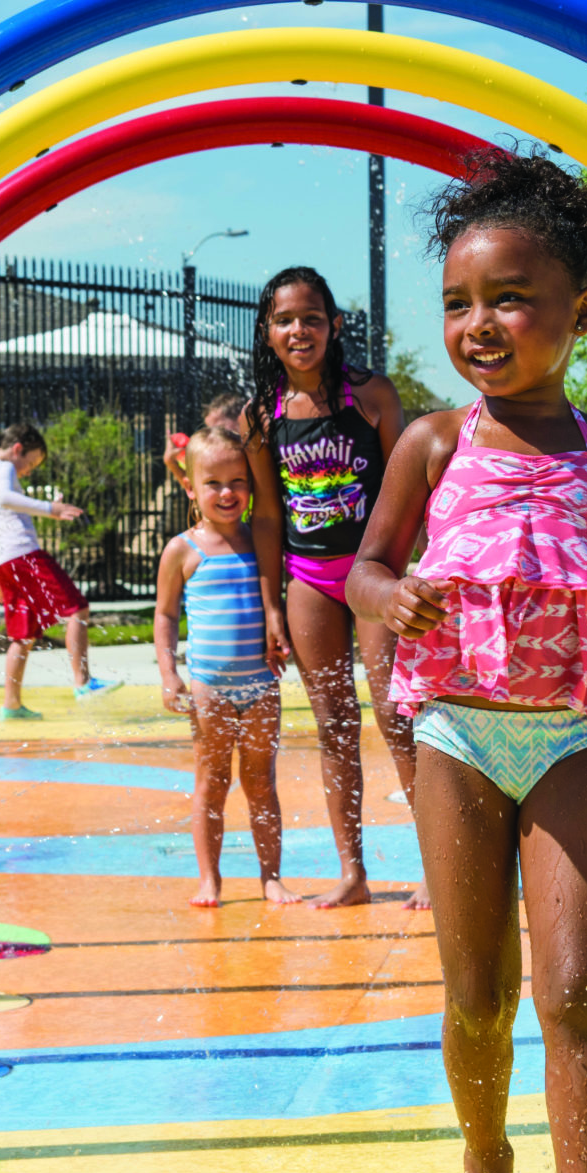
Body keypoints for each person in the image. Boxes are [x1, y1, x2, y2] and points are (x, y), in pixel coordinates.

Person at [347, 151, 587, 1173]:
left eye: (509, 297)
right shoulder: (435, 445)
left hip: (568, 738)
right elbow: (365, 565)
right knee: (476, 995)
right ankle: (484, 1160)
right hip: (456, 733)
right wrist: (386, 600)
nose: (478, 323)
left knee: (574, 990)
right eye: (457, 301)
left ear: (580, 310)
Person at [241, 266, 421, 909]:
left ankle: (439, 863)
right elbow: (266, 514)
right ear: (268, 333)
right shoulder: (261, 415)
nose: (299, 330)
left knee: (399, 715)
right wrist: (270, 604)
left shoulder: (370, 396)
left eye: (312, 318)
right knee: (333, 725)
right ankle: (353, 872)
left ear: (334, 325)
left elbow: (408, 488)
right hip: (309, 581)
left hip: (374, 574)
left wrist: (412, 570)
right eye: (285, 320)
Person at [154, 423, 295, 909]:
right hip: (210, 687)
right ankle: (209, 879)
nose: (227, 492)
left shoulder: (263, 541)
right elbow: (166, 615)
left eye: (238, 481)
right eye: (213, 482)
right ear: (191, 487)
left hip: (261, 685)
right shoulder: (183, 550)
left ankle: (270, 878)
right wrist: (169, 673)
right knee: (211, 783)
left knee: (261, 783)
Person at [0, 422, 120, 721]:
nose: (28, 471)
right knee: (77, 609)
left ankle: (10, 706)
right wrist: (50, 509)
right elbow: (5, 498)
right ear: (17, 449)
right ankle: (83, 683)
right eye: (30, 462)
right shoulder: (3, 468)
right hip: (23, 552)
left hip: (3, 561)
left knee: (22, 636)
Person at [163, 390, 247, 485]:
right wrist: (171, 462)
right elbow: (198, 490)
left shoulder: (252, 453)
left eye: (220, 428)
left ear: (241, 419)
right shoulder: (225, 455)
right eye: (210, 430)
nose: (215, 435)